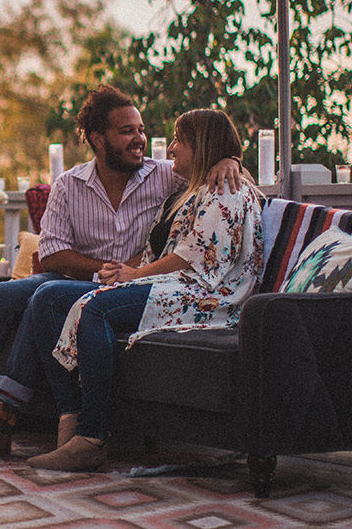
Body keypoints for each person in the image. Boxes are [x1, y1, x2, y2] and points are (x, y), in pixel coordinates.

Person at [0, 87, 245, 460]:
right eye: (127, 131)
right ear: (99, 139)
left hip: (129, 283)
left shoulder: (164, 177)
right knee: (4, 294)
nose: (140, 139)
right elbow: (51, 253)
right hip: (80, 277)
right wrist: (105, 269)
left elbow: (209, 173)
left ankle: (1, 419)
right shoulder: (69, 184)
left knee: (39, 300)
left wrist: (231, 159)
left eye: (141, 129)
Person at [24, 108, 264, 472]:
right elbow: (162, 250)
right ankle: (68, 415)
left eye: (178, 141)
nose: (170, 150)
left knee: (97, 309)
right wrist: (125, 273)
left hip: (205, 295)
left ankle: (92, 437)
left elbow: (192, 259)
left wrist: (133, 275)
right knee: (50, 298)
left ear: (199, 146)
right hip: (172, 284)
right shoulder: (187, 192)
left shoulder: (224, 189)